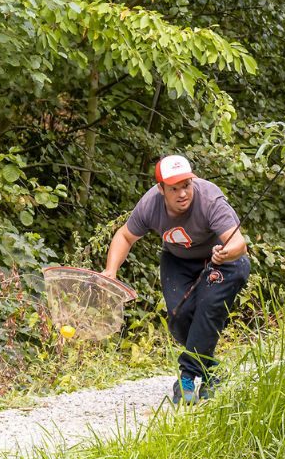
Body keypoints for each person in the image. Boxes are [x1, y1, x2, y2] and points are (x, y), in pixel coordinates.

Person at [103, 154, 250, 403]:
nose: (183, 194)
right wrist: (111, 271)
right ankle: (211, 371)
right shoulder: (150, 205)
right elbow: (125, 236)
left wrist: (226, 253)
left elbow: (239, 245)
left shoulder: (209, 199)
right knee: (179, 316)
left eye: (186, 185)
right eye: (174, 188)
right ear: (161, 189)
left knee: (208, 307)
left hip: (223, 262)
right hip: (178, 260)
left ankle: (188, 375)